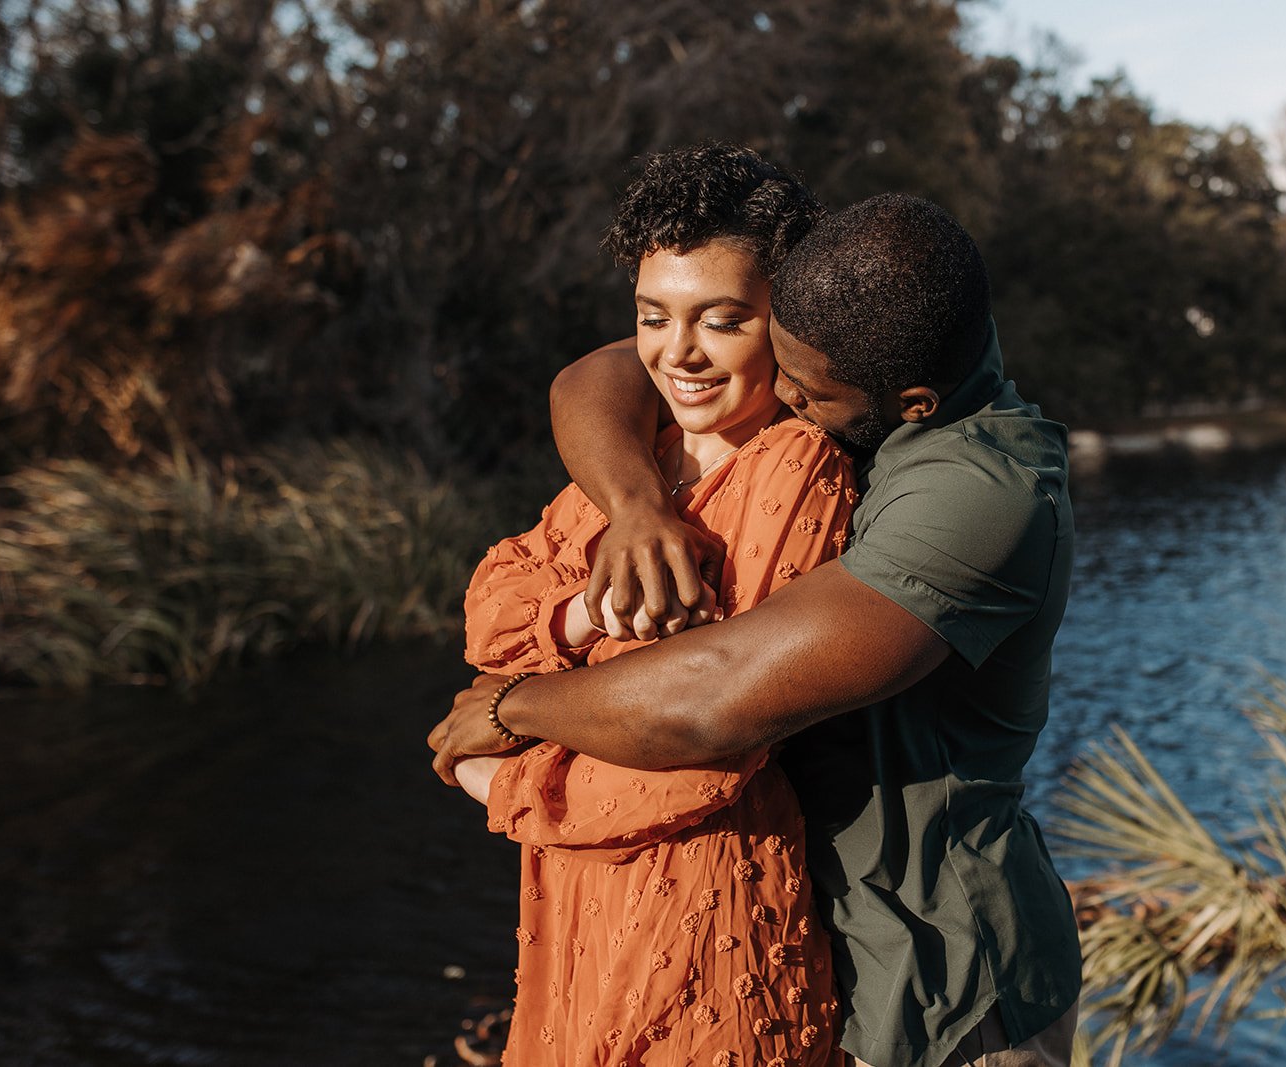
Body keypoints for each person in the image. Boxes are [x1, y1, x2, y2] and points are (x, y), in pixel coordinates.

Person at [431, 193, 1084, 1066]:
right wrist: (634, 505)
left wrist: (519, 711)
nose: (783, 398)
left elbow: (712, 702)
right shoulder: (871, 350)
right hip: (833, 960)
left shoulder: (979, 495)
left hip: (948, 990)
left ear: (912, 403)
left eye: (805, 390)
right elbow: (604, 372)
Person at [454, 143, 852, 1066]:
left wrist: (502, 780)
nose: (680, 354)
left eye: (721, 320)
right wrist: (590, 615)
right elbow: (489, 613)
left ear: (783, 324)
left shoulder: (797, 469)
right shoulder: (639, 453)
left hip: (704, 908)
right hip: (570, 903)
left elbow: (710, 748)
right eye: (653, 317)